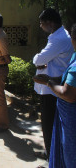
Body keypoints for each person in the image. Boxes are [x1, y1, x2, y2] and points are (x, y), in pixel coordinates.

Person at [33, 23, 76, 168]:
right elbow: (65, 78)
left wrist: (48, 82)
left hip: (70, 116)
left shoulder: (58, 39)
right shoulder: (73, 55)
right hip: (65, 112)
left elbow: (68, 94)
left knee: (69, 152)